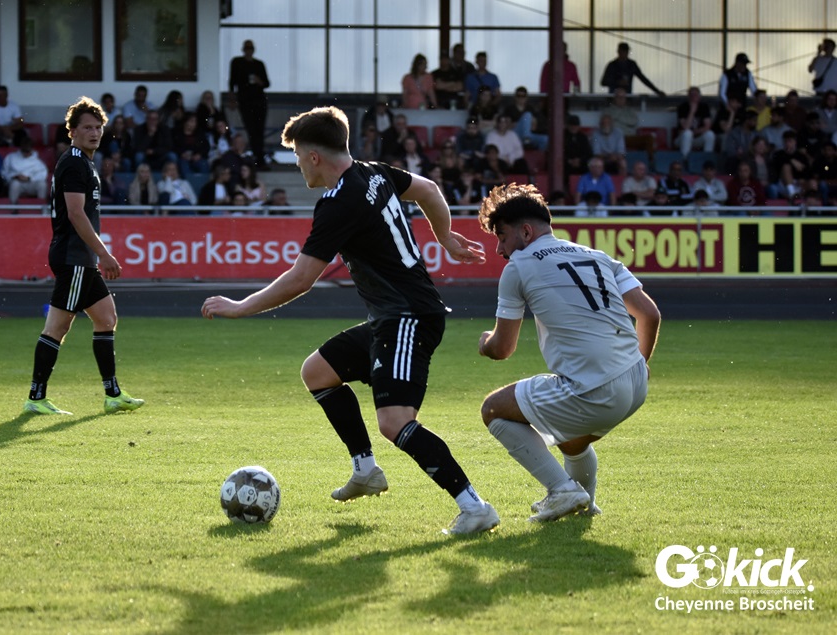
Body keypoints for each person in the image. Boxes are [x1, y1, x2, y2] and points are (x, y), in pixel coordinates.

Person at [201, 106, 499, 535]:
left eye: (298, 156)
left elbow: (301, 279)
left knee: (395, 422)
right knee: (318, 372)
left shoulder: (339, 202)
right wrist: (445, 237)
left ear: (314, 156)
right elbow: (430, 189)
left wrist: (239, 306)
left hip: (408, 317)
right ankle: (365, 469)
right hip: (394, 316)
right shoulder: (374, 172)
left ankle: (474, 507)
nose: (298, 164)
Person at [476, 183, 661, 522]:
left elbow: (502, 349)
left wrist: (485, 342)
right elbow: (650, 315)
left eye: (502, 237)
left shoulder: (518, 266)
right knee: (572, 441)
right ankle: (583, 505)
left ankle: (562, 490)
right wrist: (639, 363)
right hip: (636, 384)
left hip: (594, 389)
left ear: (526, 231)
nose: (500, 249)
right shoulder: (598, 256)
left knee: (493, 409)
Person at [22, 96, 144, 416]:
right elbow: (76, 214)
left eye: (98, 127)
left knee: (106, 318)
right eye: (87, 127)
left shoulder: (84, 162)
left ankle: (113, 395)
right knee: (57, 328)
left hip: (81, 259)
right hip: (74, 257)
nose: (94, 132)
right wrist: (104, 254)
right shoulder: (75, 162)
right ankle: (36, 398)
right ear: (72, 131)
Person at [228, 39, 271, 167]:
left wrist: (259, 81)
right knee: (251, 129)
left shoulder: (259, 64)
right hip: (245, 100)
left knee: (259, 129)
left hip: (259, 100)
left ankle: (259, 157)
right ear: (243, 50)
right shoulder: (237, 62)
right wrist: (232, 98)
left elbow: (267, 83)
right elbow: (232, 81)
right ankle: (257, 156)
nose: (248, 51)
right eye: (247, 48)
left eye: (250, 48)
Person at [599, 42, 665, 96]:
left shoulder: (631, 65)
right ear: (618, 52)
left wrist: (657, 91)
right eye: (623, 51)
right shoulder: (612, 65)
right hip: (614, 99)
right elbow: (603, 82)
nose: (624, 54)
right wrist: (618, 82)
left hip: (627, 98)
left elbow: (643, 79)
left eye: (626, 52)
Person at [3, 133, 49, 204]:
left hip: (31, 183)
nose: (25, 153)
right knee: (15, 184)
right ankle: (12, 208)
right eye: (23, 151)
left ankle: (41, 207)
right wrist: (15, 176)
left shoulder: (37, 161)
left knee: (42, 185)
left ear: (31, 149)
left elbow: (43, 174)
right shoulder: (11, 157)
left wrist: (29, 178)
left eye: (27, 151)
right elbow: (4, 172)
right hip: (17, 182)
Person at [504, 86, 548, 151]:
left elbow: (534, 125)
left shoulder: (530, 108)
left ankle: (536, 153)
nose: (521, 98)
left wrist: (522, 124)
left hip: (529, 135)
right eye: (518, 96)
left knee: (545, 139)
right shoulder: (510, 109)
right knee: (527, 115)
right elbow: (507, 126)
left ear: (526, 97)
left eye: (523, 96)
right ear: (515, 97)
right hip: (515, 135)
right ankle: (526, 139)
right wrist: (523, 124)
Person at [675, 86, 715, 157]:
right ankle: (685, 159)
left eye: (695, 95)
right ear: (688, 96)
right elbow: (686, 127)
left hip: (698, 137)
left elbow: (707, 126)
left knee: (710, 134)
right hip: (682, 138)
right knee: (687, 133)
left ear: (699, 96)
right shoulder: (682, 107)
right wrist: (692, 111)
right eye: (691, 95)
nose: (693, 97)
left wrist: (695, 132)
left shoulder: (704, 107)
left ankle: (707, 158)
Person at [171, 111, 211, 176]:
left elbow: (206, 146)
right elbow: (172, 146)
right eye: (191, 121)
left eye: (195, 121)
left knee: (204, 164)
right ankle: (189, 181)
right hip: (182, 158)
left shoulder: (199, 133)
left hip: (196, 158)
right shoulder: (176, 133)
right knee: (184, 165)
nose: (194, 124)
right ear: (185, 122)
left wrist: (199, 155)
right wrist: (181, 153)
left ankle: (205, 181)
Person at [563, 115, 593, 179]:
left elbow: (588, 153)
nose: (573, 127)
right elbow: (558, 153)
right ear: (567, 126)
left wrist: (580, 160)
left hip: (581, 163)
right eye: (572, 125)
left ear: (579, 126)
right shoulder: (562, 136)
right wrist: (569, 160)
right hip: (566, 163)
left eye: (575, 125)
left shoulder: (583, 137)